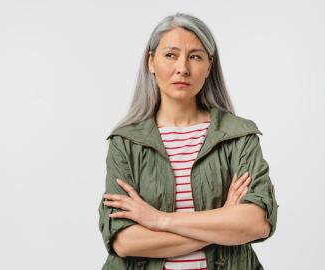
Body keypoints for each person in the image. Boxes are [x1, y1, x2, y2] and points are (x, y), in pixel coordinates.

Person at [98, 12, 278, 270]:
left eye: (195, 56)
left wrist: (159, 220)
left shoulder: (238, 135)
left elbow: (256, 223)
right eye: (171, 55)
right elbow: (125, 241)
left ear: (208, 66)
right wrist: (223, 223)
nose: (182, 67)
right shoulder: (126, 142)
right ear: (151, 62)